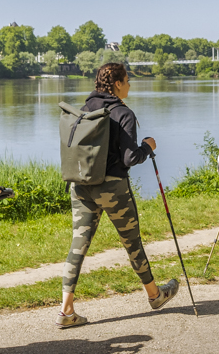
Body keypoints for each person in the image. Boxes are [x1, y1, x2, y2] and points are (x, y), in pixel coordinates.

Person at [56, 62, 180, 328]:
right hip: (112, 188)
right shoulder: (123, 113)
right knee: (132, 243)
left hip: (81, 185)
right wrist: (147, 147)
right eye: (127, 80)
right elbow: (130, 158)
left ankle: (66, 311)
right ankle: (155, 295)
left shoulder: (84, 109)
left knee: (78, 246)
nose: (130, 85)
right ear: (117, 84)